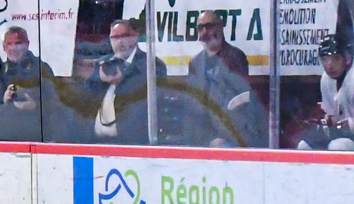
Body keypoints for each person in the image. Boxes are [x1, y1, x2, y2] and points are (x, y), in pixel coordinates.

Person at [183, 10, 264, 147]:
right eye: (200, 28)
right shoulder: (195, 63)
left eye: (209, 26)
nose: (205, 32)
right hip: (200, 138)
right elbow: (191, 104)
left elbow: (239, 105)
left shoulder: (235, 58)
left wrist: (223, 137)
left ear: (220, 27)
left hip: (228, 138)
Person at [86, 18, 166, 144]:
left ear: (135, 37)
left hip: (132, 141)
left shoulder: (152, 64)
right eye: (115, 37)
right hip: (99, 141)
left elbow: (148, 96)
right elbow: (86, 94)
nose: (119, 42)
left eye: (124, 36)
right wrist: (101, 80)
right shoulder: (104, 63)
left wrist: (123, 79)